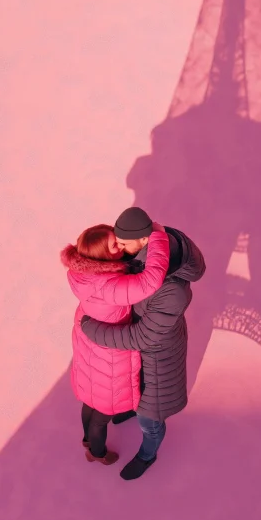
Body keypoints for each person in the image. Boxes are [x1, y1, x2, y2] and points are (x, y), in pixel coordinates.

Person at [81, 206, 206, 480]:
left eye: (123, 243)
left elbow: (142, 336)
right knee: (131, 390)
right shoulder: (140, 257)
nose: (119, 248)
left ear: (145, 240)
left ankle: (148, 454)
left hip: (157, 360)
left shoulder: (171, 291)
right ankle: (129, 406)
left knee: (149, 420)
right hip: (137, 355)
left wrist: (94, 330)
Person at [60, 220, 169, 466]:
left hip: (89, 348)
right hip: (109, 357)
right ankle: (96, 453)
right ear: (102, 256)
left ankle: (87, 439)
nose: (120, 245)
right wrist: (158, 238)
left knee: (90, 399)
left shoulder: (82, 274)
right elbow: (151, 281)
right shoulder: (110, 286)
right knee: (102, 413)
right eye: (114, 244)